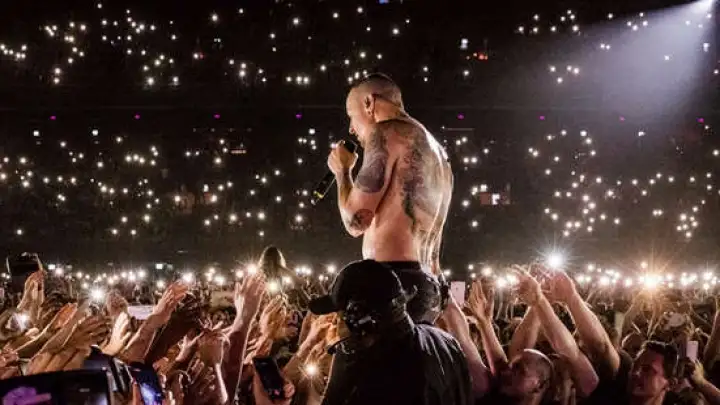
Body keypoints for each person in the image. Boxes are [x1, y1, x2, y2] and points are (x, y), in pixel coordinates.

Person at [327, 73, 453, 324]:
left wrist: (342, 171)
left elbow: (355, 221)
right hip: (429, 283)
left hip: (391, 284)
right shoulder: (438, 152)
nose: (351, 128)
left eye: (351, 115)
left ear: (369, 103)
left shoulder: (386, 131)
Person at [307, 260, 472, 405]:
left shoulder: (376, 381)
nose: (337, 328)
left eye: (339, 319)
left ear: (360, 320)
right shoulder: (446, 343)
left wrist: (347, 360)